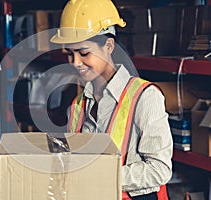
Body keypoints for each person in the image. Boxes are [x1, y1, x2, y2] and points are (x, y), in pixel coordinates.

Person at [50, 0, 173, 199]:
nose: (76, 63)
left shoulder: (145, 97)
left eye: (84, 53)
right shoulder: (77, 105)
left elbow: (159, 169)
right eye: (70, 54)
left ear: (108, 46)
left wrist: (101, 175)